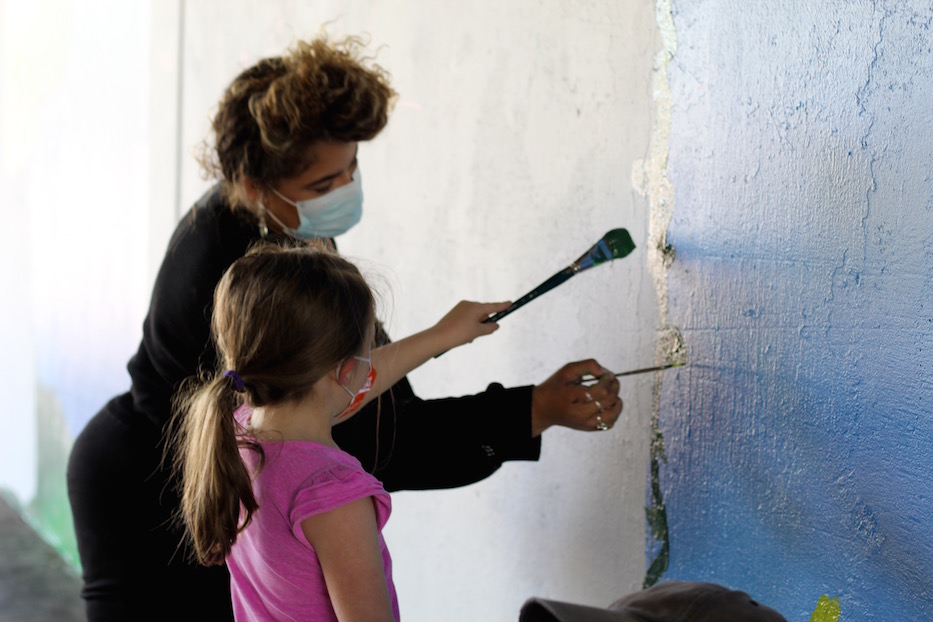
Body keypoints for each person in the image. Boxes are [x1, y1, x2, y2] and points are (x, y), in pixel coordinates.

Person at [66, 34, 623, 621]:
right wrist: (533, 409)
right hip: (144, 496)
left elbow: (351, 385)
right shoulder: (248, 278)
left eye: (350, 169)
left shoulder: (279, 233)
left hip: (200, 482)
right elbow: (387, 435)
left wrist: (441, 336)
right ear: (257, 186)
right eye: (322, 186)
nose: (344, 193)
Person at [172, 242, 508, 621]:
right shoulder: (334, 493)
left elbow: (345, 386)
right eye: (371, 347)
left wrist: (441, 335)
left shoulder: (240, 431)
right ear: (346, 371)